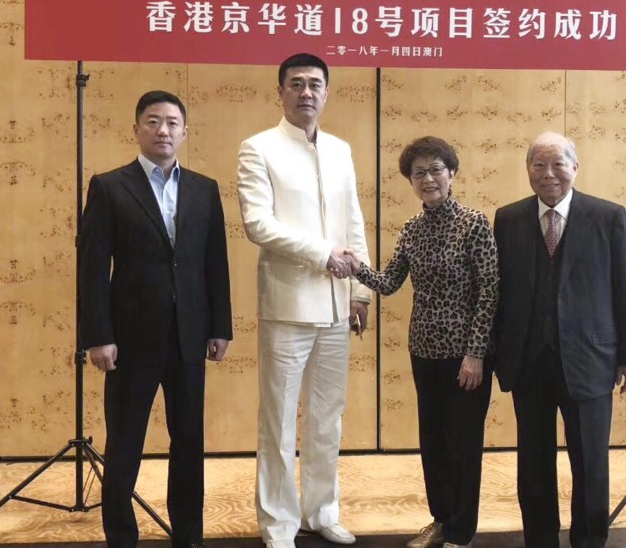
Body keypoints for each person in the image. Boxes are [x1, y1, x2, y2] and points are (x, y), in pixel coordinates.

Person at [79, 90, 233, 548]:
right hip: (130, 340)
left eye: (171, 123)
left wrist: (220, 326)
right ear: (136, 129)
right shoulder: (109, 186)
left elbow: (216, 263)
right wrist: (98, 336)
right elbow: (92, 268)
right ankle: (121, 538)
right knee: (125, 444)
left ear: (185, 132)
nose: (163, 130)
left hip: (189, 337)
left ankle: (188, 537)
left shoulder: (205, 189)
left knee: (188, 442)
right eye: (153, 121)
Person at [237, 53, 372, 548]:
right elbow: (259, 224)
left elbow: (353, 221)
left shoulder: (340, 149)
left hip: (337, 305)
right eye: (296, 84)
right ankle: (278, 524)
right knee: (278, 420)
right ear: (280, 92)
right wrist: (322, 254)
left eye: (315, 84)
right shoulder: (258, 148)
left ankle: (322, 511)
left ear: (327, 92)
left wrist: (361, 290)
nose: (306, 92)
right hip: (288, 304)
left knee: (327, 416)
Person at [345, 137, 498, 548]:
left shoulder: (474, 223)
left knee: (463, 444)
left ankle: (461, 532)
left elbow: (489, 292)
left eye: (435, 169)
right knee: (433, 442)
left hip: (465, 356)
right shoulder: (412, 229)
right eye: (419, 173)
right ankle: (441, 519)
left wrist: (475, 354)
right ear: (410, 181)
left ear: (452, 173)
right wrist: (356, 268)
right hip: (424, 351)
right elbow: (390, 282)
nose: (428, 178)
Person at [493, 131, 626, 548]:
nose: (549, 173)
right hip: (529, 361)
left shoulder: (608, 216)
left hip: (591, 360)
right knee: (533, 461)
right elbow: (499, 292)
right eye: (539, 165)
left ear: (574, 168)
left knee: (591, 461)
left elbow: (625, 288)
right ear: (528, 170)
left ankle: (589, 540)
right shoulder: (508, 218)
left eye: (558, 164)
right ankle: (540, 539)